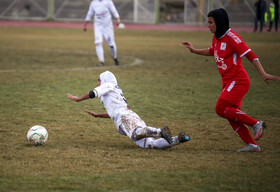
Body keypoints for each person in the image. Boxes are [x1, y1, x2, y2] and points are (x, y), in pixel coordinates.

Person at [181, 8, 280, 152]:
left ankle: (256, 124)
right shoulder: (217, 36)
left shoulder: (233, 38)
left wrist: (263, 73)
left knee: (220, 109)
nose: (208, 25)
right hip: (228, 82)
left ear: (219, 22)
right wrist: (194, 50)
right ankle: (252, 145)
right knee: (230, 114)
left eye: (210, 22)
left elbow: (250, 55)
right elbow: (212, 51)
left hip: (239, 80)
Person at [67, 71, 190, 149]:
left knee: (136, 134)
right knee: (150, 144)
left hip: (125, 117)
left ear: (104, 79)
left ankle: (159, 131)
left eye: (98, 79)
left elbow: (92, 93)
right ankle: (178, 139)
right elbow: (113, 112)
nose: (97, 82)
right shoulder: (111, 92)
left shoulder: (108, 85)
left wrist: (78, 99)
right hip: (129, 116)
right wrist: (97, 115)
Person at [84, 0, 120, 66]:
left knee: (111, 44)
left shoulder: (108, 2)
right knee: (98, 43)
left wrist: (117, 19)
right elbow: (90, 13)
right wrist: (85, 24)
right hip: (98, 26)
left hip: (107, 26)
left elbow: (114, 10)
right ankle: (101, 61)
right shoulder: (93, 3)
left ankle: (115, 58)